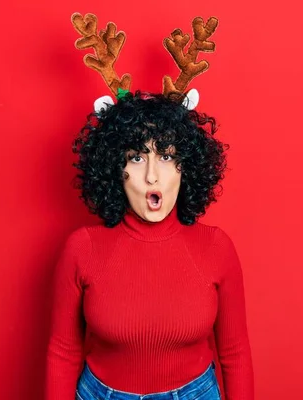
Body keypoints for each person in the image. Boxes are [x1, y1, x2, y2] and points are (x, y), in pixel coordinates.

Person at [44, 13, 254, 400]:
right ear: (116, 169)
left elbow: (235, 353)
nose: (153, 177)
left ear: (185, 168)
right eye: (137, 158)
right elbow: (63, 351)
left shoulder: (216, 248)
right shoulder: (81, 249)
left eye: (168, 157)